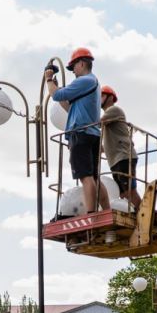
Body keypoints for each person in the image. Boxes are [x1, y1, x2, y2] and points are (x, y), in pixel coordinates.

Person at [46, 47, 110, 214]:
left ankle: (91, 215)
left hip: (81, 134)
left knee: (85, 176)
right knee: (94, 176)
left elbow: (56, 96)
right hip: (91, 134)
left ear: (81, 63)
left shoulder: (85, 81)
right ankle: (106, 211)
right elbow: (68, 107)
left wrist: (48, 80)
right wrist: (57, 88)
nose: (73, 71)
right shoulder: (92, 84)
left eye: (73, 67)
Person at [99, 85, 141, 211]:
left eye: (101, 95)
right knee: (122, 194)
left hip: (123, 157)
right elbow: (106, 146)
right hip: (116, 160)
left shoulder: (114, 110)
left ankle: (146, 216)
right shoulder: (108, 120)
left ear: (110, 97)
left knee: (129, 191)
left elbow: (96, 124)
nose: (98, 99)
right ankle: (137, 215)